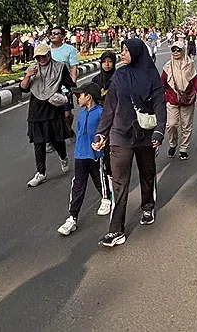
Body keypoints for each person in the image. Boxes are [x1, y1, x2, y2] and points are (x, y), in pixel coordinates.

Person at [94, 39, 166, 248]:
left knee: (147, 173)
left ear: (137, 52)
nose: (123, 53)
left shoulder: (151, 76)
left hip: (145, 135)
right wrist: (101, 134)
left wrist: (160, 130)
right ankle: (116, 230)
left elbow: (159, 104)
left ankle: (147, 205)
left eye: (127, 50)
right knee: (119, 182)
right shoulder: (120, 75)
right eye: (122, 50)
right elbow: (109, 108)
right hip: (120, 135)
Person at [20, 44, 75, 187]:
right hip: (36, 110)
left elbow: (69, 84)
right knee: (39, 142)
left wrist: (67, 96)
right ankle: (41, 173)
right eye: (38, 57)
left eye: (44, 56)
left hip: (53, 108)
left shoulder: (59, 67)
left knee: (57, 139)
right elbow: (23, 88)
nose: (42, 59)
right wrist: (28, 75)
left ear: (49, 55)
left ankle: (63, 157)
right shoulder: (32, 69)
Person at [57, 81, 108, 236]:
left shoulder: (100, 112)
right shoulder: (81, 114)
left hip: (95, 155)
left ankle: (107, 199)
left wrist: (101, 144)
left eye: (80, 95)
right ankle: (73, 216)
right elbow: (80, 132)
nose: (77, 98)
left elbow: (104, 132)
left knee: (101, 179)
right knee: (78, 185)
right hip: (80, 155)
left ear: (89, 97)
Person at [162, 40, 197, 160]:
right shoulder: (168, 66)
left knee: (186, 125)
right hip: (172, 99)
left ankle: (184, 148)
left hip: (187, 98)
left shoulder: (189, 64)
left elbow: (195, 81)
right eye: (173, 50)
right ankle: (173, 143)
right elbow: (162, 82)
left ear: (183, 51)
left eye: (178, 50)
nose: (176, 52)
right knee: (172, 124)